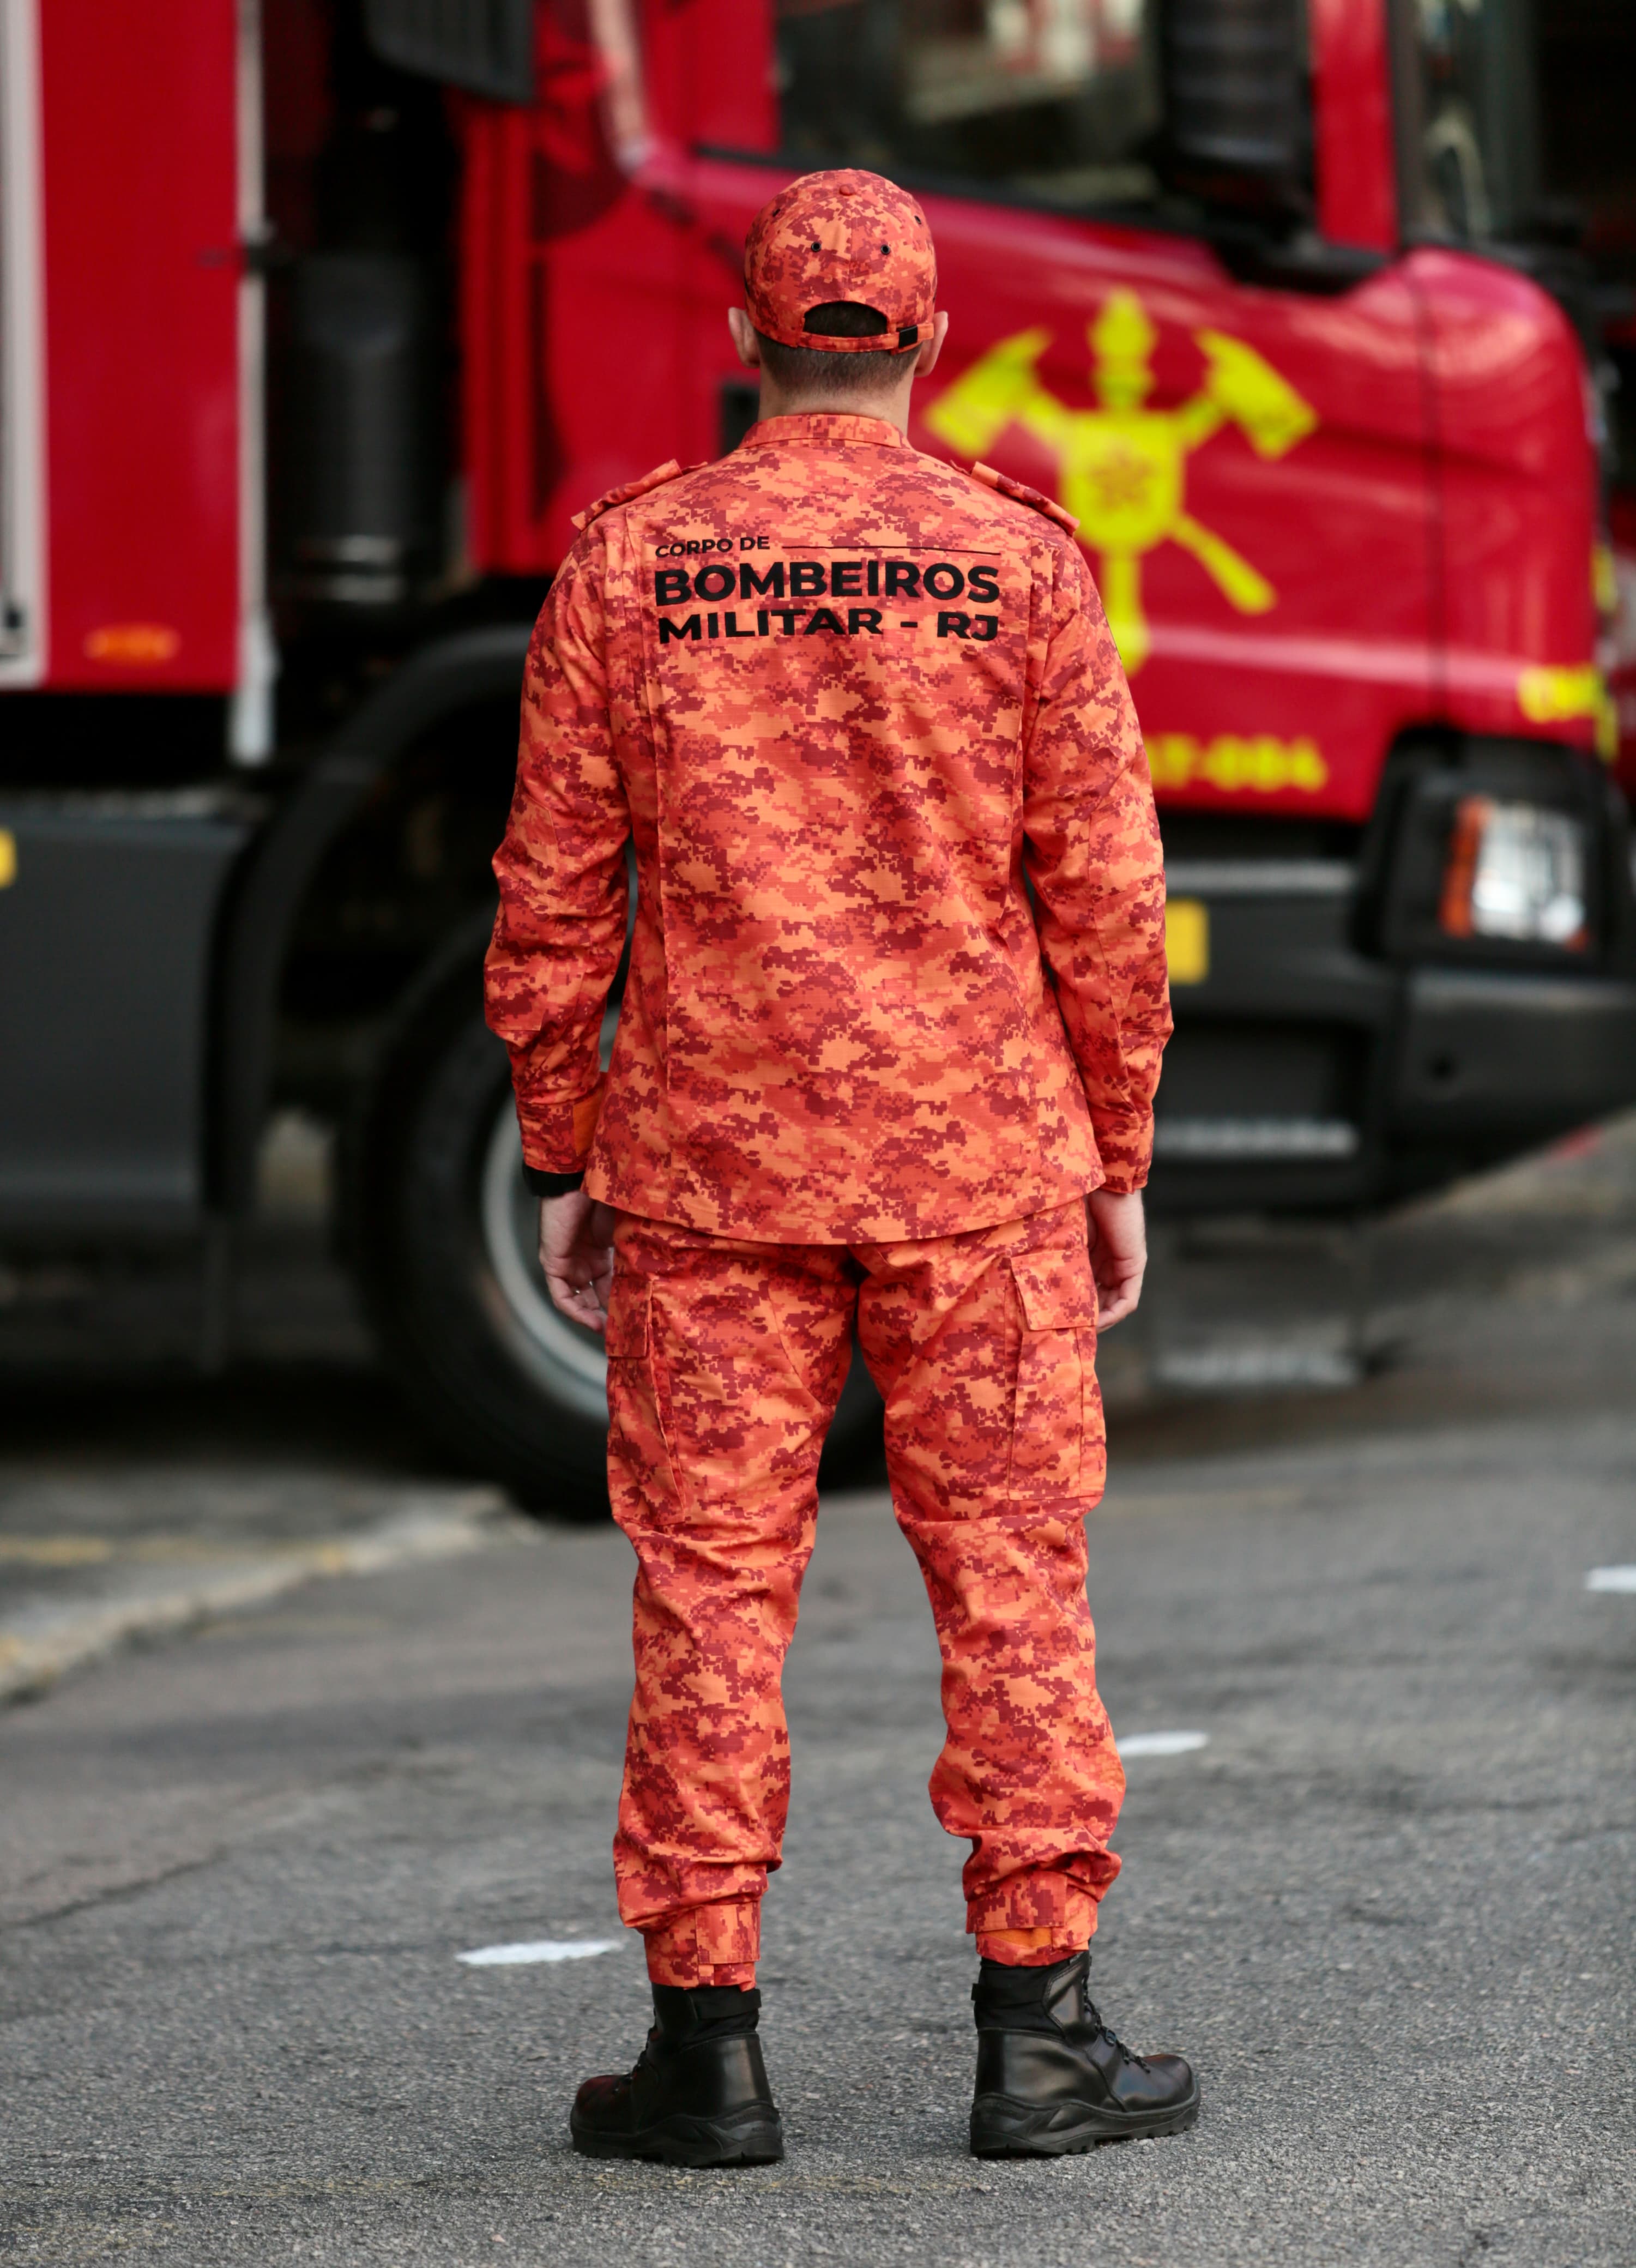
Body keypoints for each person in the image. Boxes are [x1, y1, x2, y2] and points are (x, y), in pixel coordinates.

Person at [485, 167, 1196, 2166]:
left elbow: (552, 890)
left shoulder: (629, 564)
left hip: (711, 1173)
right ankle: (1037, 2042)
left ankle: (705, 2059)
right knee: (1013, 1585)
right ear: (932, 342)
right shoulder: (1021, 567)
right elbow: (1108, 901)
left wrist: (562, 1142)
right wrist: (1114, 1149)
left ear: (745, 343)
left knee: (710, 1596)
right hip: (978, 1173)